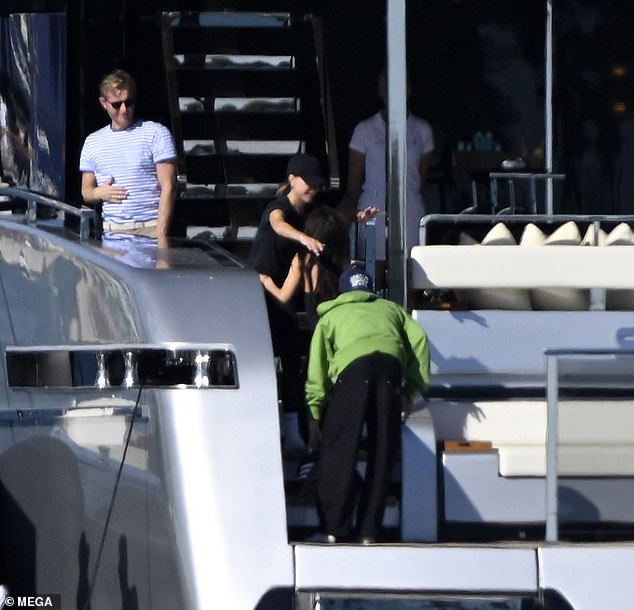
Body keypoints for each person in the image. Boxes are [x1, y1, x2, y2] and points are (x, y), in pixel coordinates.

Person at [305, 267, 430, 543]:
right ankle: (369, 532)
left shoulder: (332, 316)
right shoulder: (392, 310)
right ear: (371, 290)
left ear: (342, 292)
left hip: (352, 372)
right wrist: (411, 388)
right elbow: (419, 340)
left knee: (339, 451)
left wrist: (314, 412)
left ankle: (333, 530)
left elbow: (317, 369)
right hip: (389, 370)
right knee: (382, 451)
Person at [248, 153, 327, 441]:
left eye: (317, 185)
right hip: (259, 291)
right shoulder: (278, 207)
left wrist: (356, 217)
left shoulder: (311, 211)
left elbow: (333, 218)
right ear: (292, 179)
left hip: (281, 291)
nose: (313, 190)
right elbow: (277, 224)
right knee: (265, 363)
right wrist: (302, 238)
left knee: (293, 362)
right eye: (309, 183)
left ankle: (294, 430)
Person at [346, 69, 435, 281]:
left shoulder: (421, 129)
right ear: (379, 90)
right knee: (372, 265)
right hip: (373, 202)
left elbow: (423, 176)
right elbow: (353, 178)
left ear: (409, 89)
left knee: (409, 266)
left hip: (410, 201)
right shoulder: (365, 129)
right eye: (385, 85)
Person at [79, 69, 177, 245]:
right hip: (110, 236)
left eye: (129, 102)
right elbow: (86, 190)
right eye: (117, 104)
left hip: (150, 232)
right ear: (104, 103)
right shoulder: (92, 142)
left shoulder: (156, 133)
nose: (124, 109)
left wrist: (161, 235)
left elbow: (169, 186)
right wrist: (99, 192)